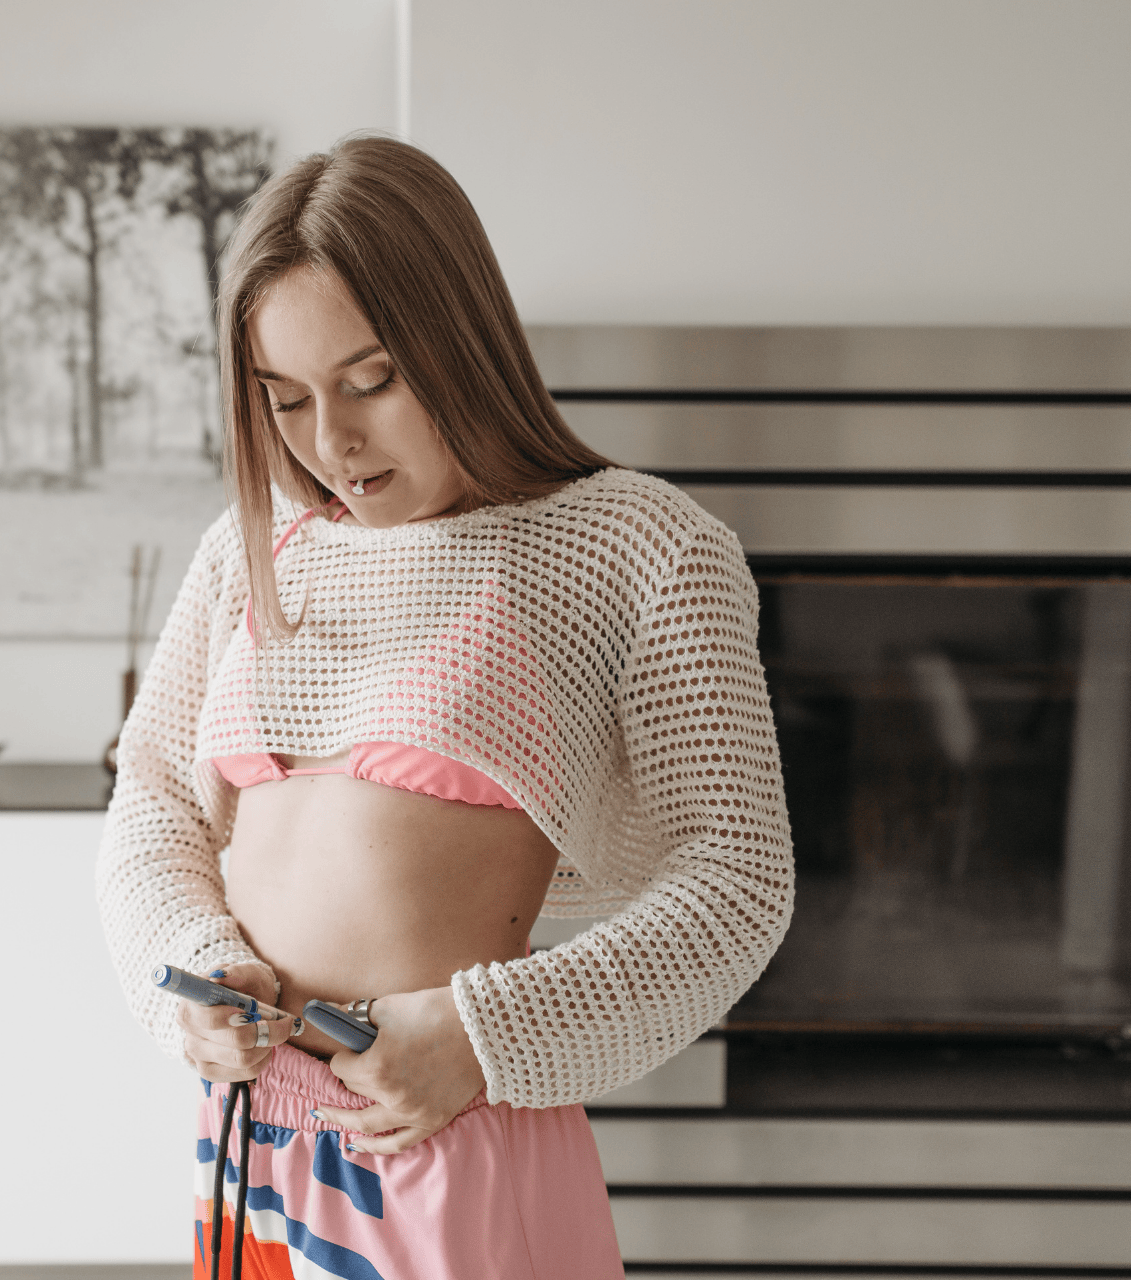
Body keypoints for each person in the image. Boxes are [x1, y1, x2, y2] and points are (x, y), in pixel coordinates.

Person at [96, 136, 794, 1280]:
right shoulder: (253, 548)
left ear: (459, 338)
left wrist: (483, 1035)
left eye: (371, 380)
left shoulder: (640, 548)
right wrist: (194, 966)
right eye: (286, 399)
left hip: (440, 1139)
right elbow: (155, 803)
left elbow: (737, 879)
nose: (332, 443)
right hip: (248, 1148)